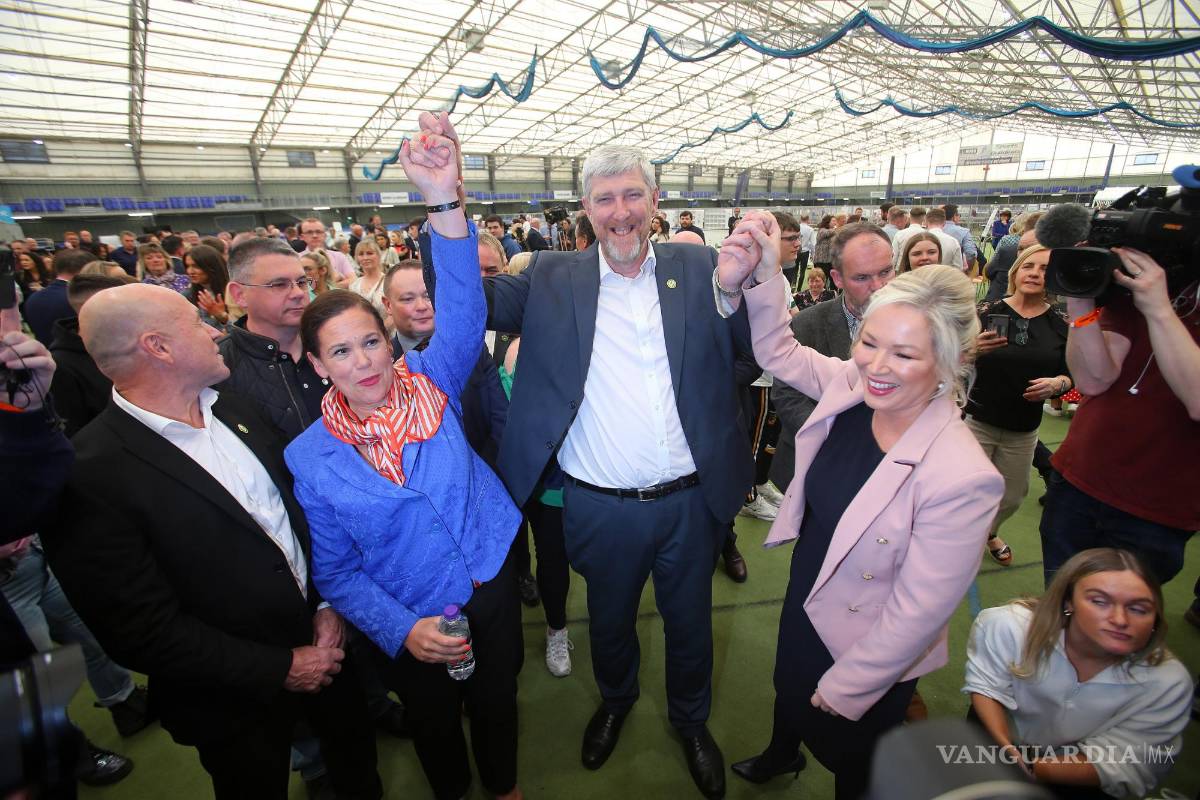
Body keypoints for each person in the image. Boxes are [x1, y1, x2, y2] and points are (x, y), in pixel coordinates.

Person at [477, 134, 754, 800]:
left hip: (689, 503)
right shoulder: (548, 277)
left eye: (633, 194)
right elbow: (464, 301)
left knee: (690, 624)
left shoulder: (702, 270)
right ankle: (618, 700)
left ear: (656, 202)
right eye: (605, 198)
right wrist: (442, 207)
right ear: (585, 209)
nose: (621, 210)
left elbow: (750, 357)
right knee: (608, 621)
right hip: (598, 505)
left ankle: (691, 723)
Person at [40, 283, 382, 800]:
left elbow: (301, 518)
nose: (215, 331)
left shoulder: (233, 408)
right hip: (231, 703)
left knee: (357, 772)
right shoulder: (89, 475)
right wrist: (282, 667)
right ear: (158, 347)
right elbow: (139, 629)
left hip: (328, 648)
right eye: (197, 323)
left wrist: (330, 605)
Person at [716, 213, 1002, 800]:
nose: (876, 365)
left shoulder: (963, 475)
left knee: (857, 756)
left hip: (869, 637)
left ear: (948, 364)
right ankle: (781, 753)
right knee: (790, 688)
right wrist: (769, 275)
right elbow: (778, 349)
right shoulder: (854, 383)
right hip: (810, 585)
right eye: (869, 342)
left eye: (903, 354)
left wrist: (854, 683)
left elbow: (918, 611)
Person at [284, 115, 524, 800]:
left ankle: (505, 789)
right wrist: (402, 629)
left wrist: (444, 198)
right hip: (411, 612)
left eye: (369, 342)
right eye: (339, 351)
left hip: (491, 576)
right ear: (316, 365)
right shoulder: (312, 458)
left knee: (498, 703)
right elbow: (336, 571)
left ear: (389, 340)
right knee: (434, 725)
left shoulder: (434, 377)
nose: (362, 362)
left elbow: (464, 307)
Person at [964, 548, 1192, 799]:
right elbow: (987, 687)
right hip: (996, 745)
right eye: (1099, 601)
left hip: (1081, 782)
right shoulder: (1009, 626)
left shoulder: (1168, 682)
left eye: (1138, 608)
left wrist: (1025, 768)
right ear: (1067, 602)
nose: (1120, 619)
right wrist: (1005, 752)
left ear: (1155, 618)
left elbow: (1125, 765)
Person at [1039, 241, 1199, 587]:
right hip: (1079, 480)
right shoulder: (1149, 287)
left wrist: (1158, 310)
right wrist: (1080, 297)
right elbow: (1093, 379)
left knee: (1116, 623)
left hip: (1157, 503)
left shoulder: (1155, 297)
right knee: (1058, 602)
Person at [769, 223, 898, 493]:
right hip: (817, 464)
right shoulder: (807, 323)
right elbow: (786, 396)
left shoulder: (916, 325)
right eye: (862, 278)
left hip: (887, 468)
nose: (879, 286)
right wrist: (838, 437)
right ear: (837, 279)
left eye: (886, 272)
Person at [968, 244, 1071, 566]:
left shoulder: (1061, 323)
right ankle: (963, 541)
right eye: (1029, 267)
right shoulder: (985, 311)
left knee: (1012, 497)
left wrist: (1060, 384)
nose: (1035, 274)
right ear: (1016, 272)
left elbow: (1074, 370)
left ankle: (986, 531)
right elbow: (952, 358)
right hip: (977, 421)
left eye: (1043, 269)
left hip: (1023, 428)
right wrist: (972, 349)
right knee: (965, 490)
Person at [218, 238, 331, 441]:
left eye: (302, 282)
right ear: (239, 294)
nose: (298, 293)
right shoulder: (218, 369)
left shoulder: (331, 343)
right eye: (279, 285)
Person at [49, 273, 132, 437]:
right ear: (90, 309)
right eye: (123, 306)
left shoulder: (125, 345)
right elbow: (72, 433)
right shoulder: (61, 367)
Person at [184, 243, 236, 328]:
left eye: (196, 266)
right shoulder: (186, 296)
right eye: (187, 266)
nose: (190, 271)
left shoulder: (234, 291)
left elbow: (244, 330)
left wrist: (222, 316)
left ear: (211, 266)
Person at [350, 240, 391, 332]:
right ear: (357, 258)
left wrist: (379, 332)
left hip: (389, 335)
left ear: (378, 255)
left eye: (369, 253)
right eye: (361, 254)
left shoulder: (390, 282)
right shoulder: (354, 286)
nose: (365, 257)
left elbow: (396, 314)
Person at [812, 214, 835, 281]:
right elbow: (828, 232)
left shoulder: (832, 231)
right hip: (821, 261)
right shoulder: (822, 230)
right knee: (820, 280)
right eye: (833, 221)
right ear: (827, 222)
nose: (835, 222)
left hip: (828, 261)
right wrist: (841, 227)